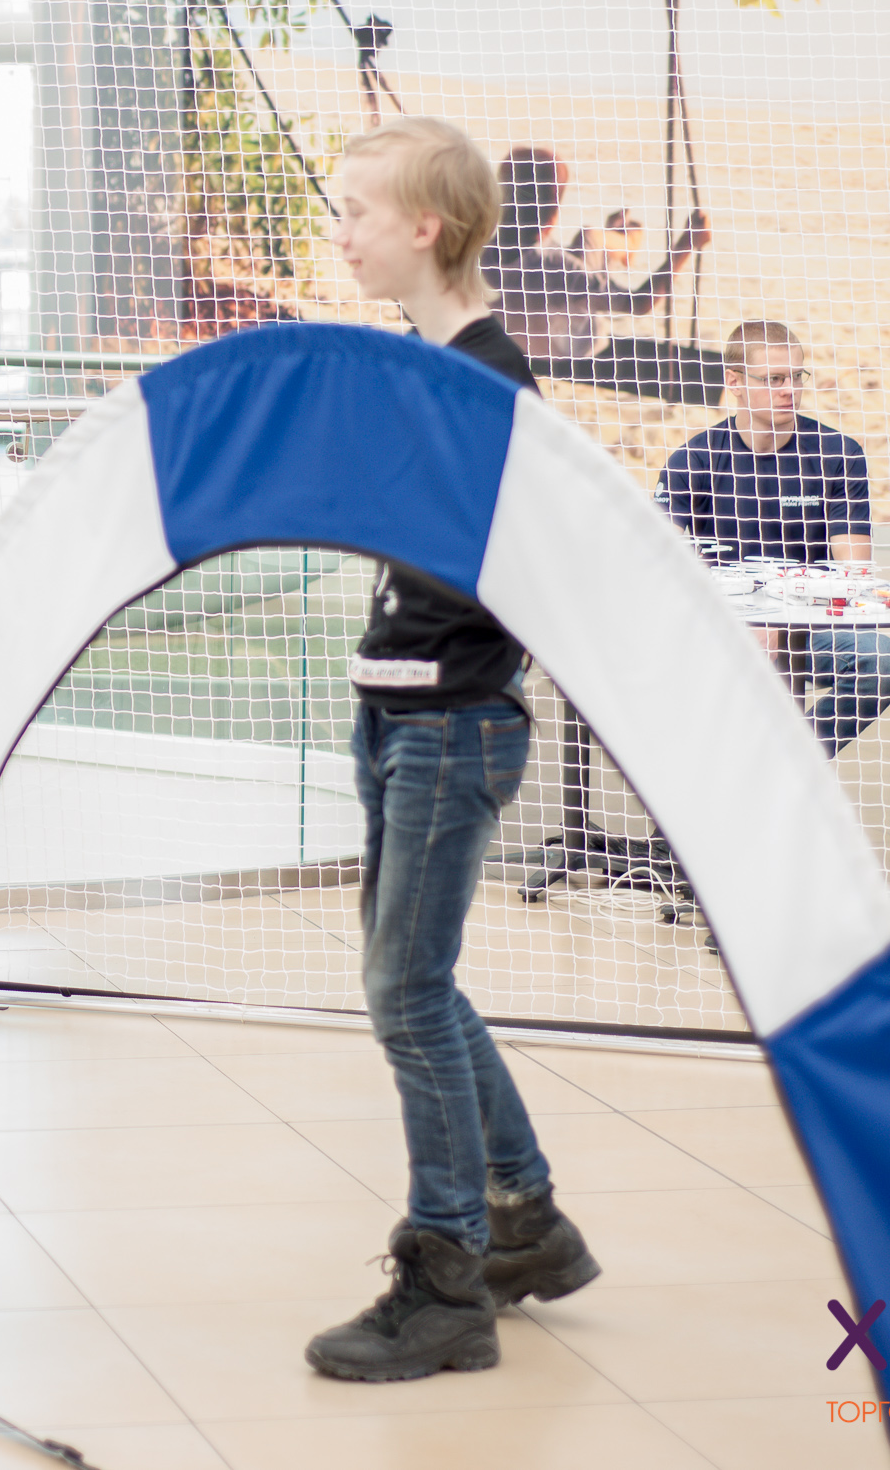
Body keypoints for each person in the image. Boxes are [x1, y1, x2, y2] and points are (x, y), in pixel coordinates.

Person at [306, 116, 600, 1386]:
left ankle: (447, 1281)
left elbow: (505, 567)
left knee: (405, 993)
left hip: (451, 723)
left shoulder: (488, 385)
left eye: (359, 212)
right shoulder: (427, 370)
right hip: (395, 713)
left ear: (425, 228)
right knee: (414, 981)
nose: (343, 233)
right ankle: (525, 1220)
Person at [658, 321, 890, 752]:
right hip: (720, 624)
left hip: (807, 623)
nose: (789, 390)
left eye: (796, 376)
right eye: (773, 379)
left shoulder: (838, 454)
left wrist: (782, 622)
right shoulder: (693, 459)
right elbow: (661, 564)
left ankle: (789, 764)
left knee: (884, 661)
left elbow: (854, 573)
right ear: (735, 383)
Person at [482, 144, 723, 407]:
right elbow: (639, 303)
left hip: (527, 329)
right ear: (553, 215)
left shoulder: (479, 254)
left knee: (588, 242)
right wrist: (686, 244)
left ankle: (620, 240)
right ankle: (627, 241)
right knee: (591, 238)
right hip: (573, 350)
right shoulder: (560, 269)